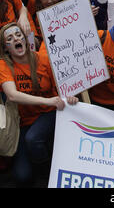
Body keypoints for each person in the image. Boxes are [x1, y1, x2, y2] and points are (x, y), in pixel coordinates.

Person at [0, 22, 78, 185]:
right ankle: (44, 153)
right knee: (22, 176)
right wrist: (47, 100)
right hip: (25, 122)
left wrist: (70, 96)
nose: (16, 39)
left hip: (50, 113)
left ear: (25, 39)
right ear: (6, 48)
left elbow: (64, 87)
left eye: (18, 35)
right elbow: (12, 95)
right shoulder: (3, 65)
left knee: (33, 138)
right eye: (10, 38)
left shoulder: (44, 59)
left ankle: (48, 174)